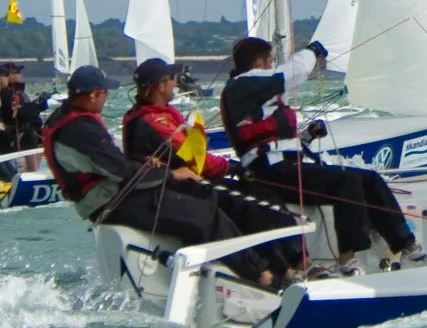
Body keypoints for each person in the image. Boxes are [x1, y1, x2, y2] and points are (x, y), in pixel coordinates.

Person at [41, 67, 300, 287]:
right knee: (204, 213)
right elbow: (120, 171)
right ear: (92, 95)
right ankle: (261, 276)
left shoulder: (72, 121)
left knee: (207, 195)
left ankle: (259, 265)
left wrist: (148, 165)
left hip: (117, 193)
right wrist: (171, 173)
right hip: (110, 202)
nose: (106, 99)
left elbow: (113, 165)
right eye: (105, 94)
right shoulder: (78, 129)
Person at [220, 35, 425, 270]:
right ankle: (347, 259)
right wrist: (312, 52)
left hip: (283, 166)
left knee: (370, 179)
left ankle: (407, 245)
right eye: (269, 61)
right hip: (266, 171)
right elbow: (294, 72)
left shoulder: (254, 91)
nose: (271, 66)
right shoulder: (244, 83)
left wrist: (307, 135)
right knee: (346, 182)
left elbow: (275, 139)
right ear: (258, 63)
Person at [123, 60, 233, 179]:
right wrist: (230, 167)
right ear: (161, 86)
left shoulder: (142, 114)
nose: (175, 83)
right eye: (172, 78)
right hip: (178, 186)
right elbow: (194, 158)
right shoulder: (155, 122)